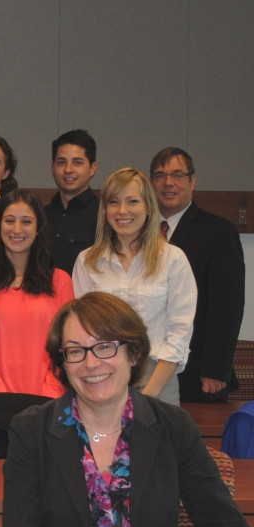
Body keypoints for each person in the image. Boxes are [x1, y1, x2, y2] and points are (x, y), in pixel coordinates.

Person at [3, 291, 250, 527]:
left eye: (105, 347)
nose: (91, 363)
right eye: (75, 351)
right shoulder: (31, 430)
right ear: (62, 363)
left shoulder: (173, 427)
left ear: (133, 354)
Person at [72, 167, 196, 406]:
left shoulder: (172, 259)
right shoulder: (87, 261)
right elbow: (82, 330)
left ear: (148, 207)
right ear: (105, 210)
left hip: (157, 376)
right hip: (101, 373)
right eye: (114, 202)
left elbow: (179, 332)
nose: (122, 211)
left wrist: (148, 394)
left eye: (132, 201)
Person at [150, 147, 245, 403]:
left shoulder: (218, 232)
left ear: (193, 180)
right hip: (147, 368)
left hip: (197, 371)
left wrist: (216, 369)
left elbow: (227, 307)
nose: (168, 182)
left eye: (177, 174)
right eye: (160, 175)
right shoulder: (139, 231)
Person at [0, 190, 73, 396]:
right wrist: (1, 397)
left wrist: (48, 397)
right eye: (9, 221)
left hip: (48, 401)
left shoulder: (60, 281)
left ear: (38, 228)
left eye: (26, 221)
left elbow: (68, 346)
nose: (17, 229)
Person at [45, 129, 99, 274]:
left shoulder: (104, 216)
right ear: (53, 168)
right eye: (61, 162)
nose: (68, 169)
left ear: (92, 169)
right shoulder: (40, 215)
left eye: (77, 162)